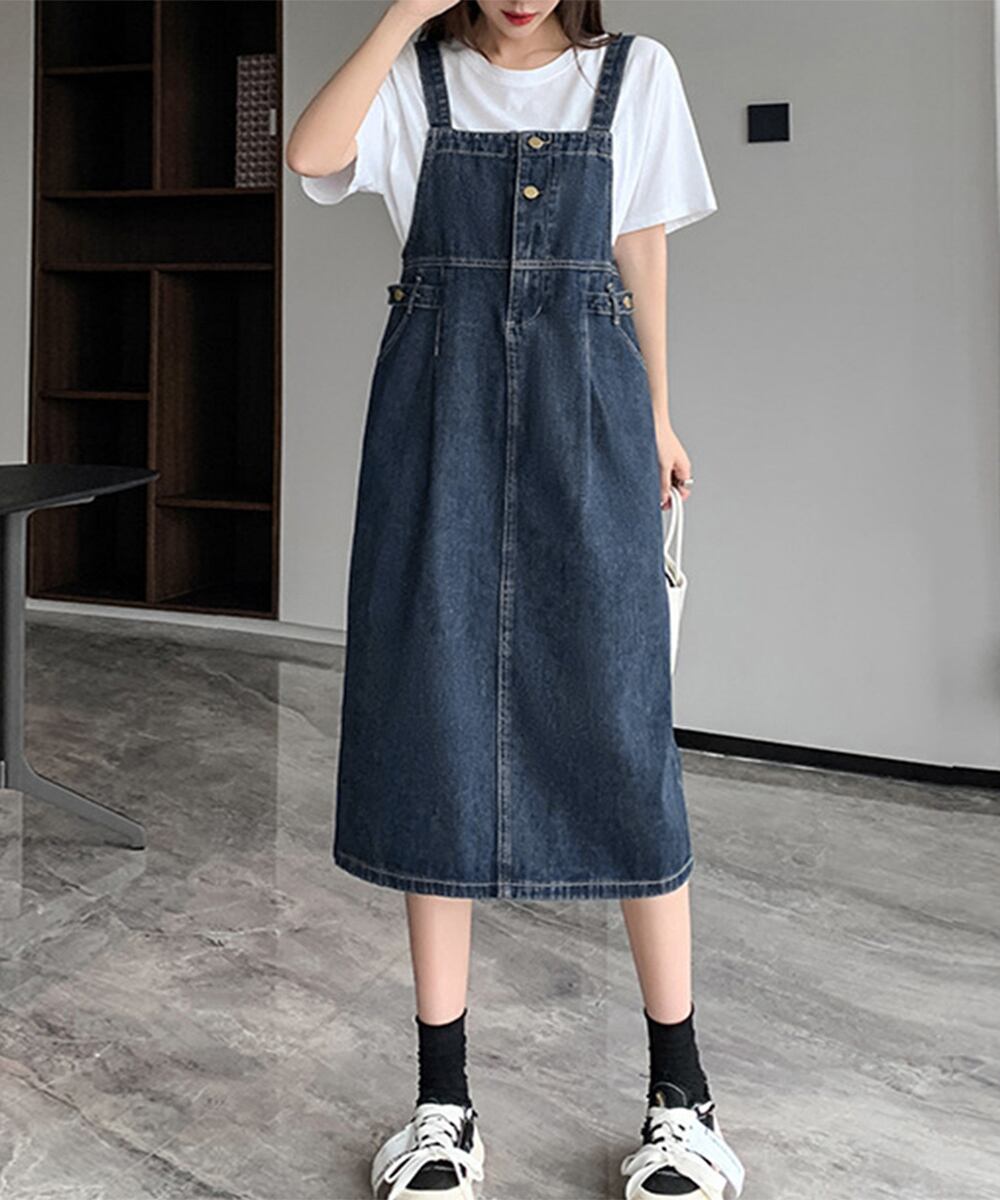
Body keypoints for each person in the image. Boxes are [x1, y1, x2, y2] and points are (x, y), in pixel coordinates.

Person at [287, 2, 745, 1197]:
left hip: (589, 413)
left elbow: (640, 247)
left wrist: (655, 416)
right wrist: (400, 13)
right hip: (432, 425)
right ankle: (441, 1104)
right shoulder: (415, 76)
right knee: (434, 729)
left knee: (621, 737)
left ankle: (683, 1100)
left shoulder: (635, 73)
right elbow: (311, 154)